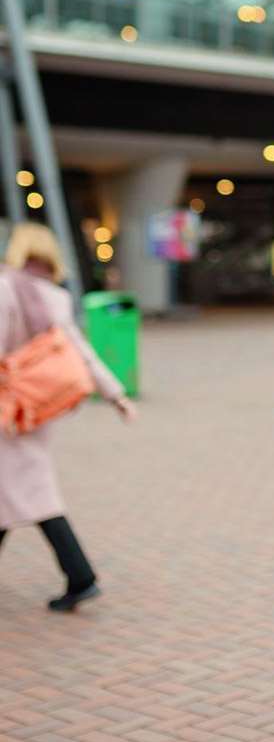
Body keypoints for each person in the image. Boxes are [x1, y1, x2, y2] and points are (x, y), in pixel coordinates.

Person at [0, 223, 136, 611]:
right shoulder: (55, 297)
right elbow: (81, 351)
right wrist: (116, 394)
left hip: (10, 408)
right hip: (43, 406)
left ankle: (81, 576)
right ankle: (80, 576)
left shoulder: (5, 288)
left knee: (31, 492)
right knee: (15, 487)